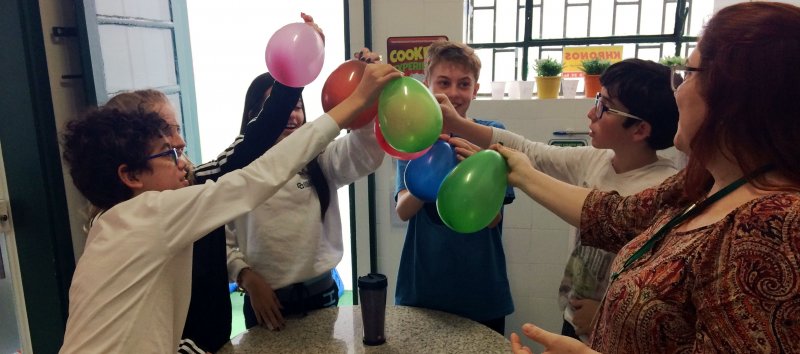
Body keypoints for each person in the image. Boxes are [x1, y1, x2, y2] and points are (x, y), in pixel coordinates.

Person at [502, 2, 800, 353]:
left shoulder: (775, 228)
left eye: (687, 74)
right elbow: (612, 216)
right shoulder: (701, 183)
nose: (678, 91)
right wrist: (521, 172)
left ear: (733, 95)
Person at [58, 62, 400, 353]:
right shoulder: (149, 216)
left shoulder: (113, 222)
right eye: (168, 152)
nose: (182, 150)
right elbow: (257, 176)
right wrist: (353, 103)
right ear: (130, 175)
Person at [101, 14, 323, 353]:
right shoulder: (125, 234)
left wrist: (297, 71)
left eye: (178, 129)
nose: (180, 143)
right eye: (165, 137)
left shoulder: (196, 185)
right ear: (130, 175)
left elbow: (251, 143)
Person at [441, 58, 680, 342]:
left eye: (604, 106)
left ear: (640, 130)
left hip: (610, 328)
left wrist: (606, 311)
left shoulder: (661, 189)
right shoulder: (595, 160)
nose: (591, 113)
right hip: (574, 315)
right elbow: (529, 150)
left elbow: (655, 286)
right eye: (596, 99)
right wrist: (457, 123)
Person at [226, 51, 384, 331]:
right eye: (276, 108)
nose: (291, 115)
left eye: (297, 106)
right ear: (255, 117)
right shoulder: (237, 170)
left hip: (321, 294)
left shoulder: (319, 159)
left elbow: (365, 153)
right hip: (266, 301)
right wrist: (247, 278)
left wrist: (368, 96)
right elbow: (221, 242)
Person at [393, 40, 515, 335]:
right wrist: (430, 178)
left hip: (481, 293)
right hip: (423, 289)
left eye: (463, 84)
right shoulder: (415, 140)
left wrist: (470, 169)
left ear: (475, 89)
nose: (453, 93)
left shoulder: (492, 135)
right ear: (427, 84)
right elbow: (402, 211)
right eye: (444, 82)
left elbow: (492, 219)